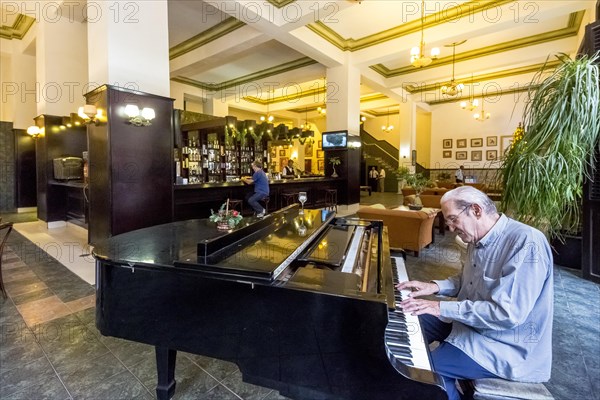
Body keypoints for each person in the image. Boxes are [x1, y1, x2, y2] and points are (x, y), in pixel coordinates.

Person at [397, 186, 553, 400]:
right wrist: (434, 286)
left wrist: (439, 306)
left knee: (422, 370)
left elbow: (506, 313)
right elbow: (469, 281)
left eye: (453, 219)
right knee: (407, 319)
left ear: (476, 210)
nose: (450, 228)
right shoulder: (476, 236)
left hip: (503, 346)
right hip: (471, 325)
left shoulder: (527, 243)